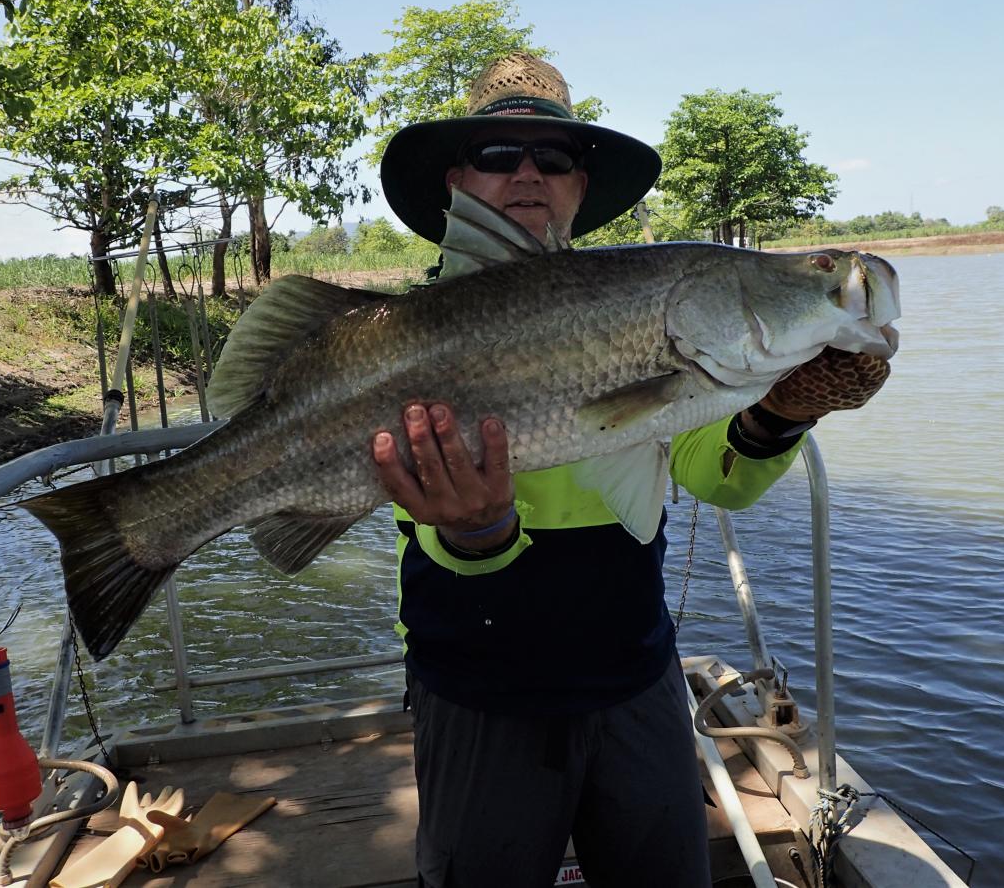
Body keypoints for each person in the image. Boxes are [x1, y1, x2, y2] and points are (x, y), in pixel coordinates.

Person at [371, 53, 887, 888]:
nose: (528, 174)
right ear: (459, 180)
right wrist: (478, 532)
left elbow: (713, 474)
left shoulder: (652, 314)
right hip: (477, 683)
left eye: (555, 157)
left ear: (581, 184)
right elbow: (419, 515)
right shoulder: (402, 334)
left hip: (632, 672)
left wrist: (782, 413)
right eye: (500, 156)